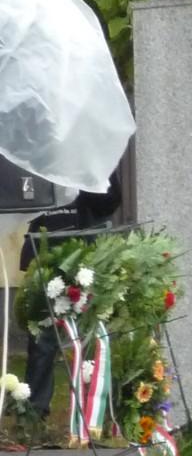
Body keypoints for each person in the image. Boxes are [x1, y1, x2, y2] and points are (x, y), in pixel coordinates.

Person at [20, 171, 123, 419]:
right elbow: (21, 197)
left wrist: (89, 179)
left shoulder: (92, 158)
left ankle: (98, 409)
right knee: (42, 338)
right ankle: (34, 412)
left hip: (87, 251)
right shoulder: (36, 154)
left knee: (95, 335)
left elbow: (110, 201)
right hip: (44, 251)